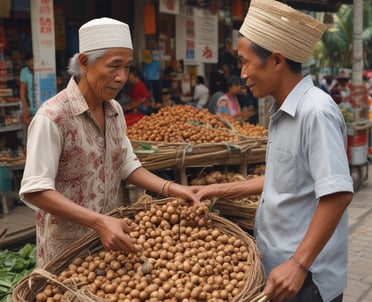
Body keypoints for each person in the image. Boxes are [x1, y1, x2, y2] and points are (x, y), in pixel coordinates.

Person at [194, 1, 353, 301]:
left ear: (277, 61)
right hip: (278, 269)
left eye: (245, 62)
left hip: (307, 280)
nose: (241, 74)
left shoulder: (315, 111)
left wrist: (298, 263)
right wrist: (216, 189)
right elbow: (280, 180)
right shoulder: (281, 111)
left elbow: (338, 194)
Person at [19, 17, 199, 267]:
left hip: (107, 249)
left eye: (126, 68)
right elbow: (35, 189)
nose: (121, 77)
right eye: (114, 66)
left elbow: (126, 164)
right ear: (84, 62)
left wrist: (174, 189)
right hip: (63, 256)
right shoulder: (52, 118)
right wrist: (99, 221)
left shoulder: (114, 111)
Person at [19, 52, 35, 124]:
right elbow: (22, 93)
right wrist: (25, 110)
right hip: (31, 108)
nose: (32, 63)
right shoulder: (24, 72)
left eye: (34, 61)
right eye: (30, 61)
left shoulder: (41, 70)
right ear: (27, 62)